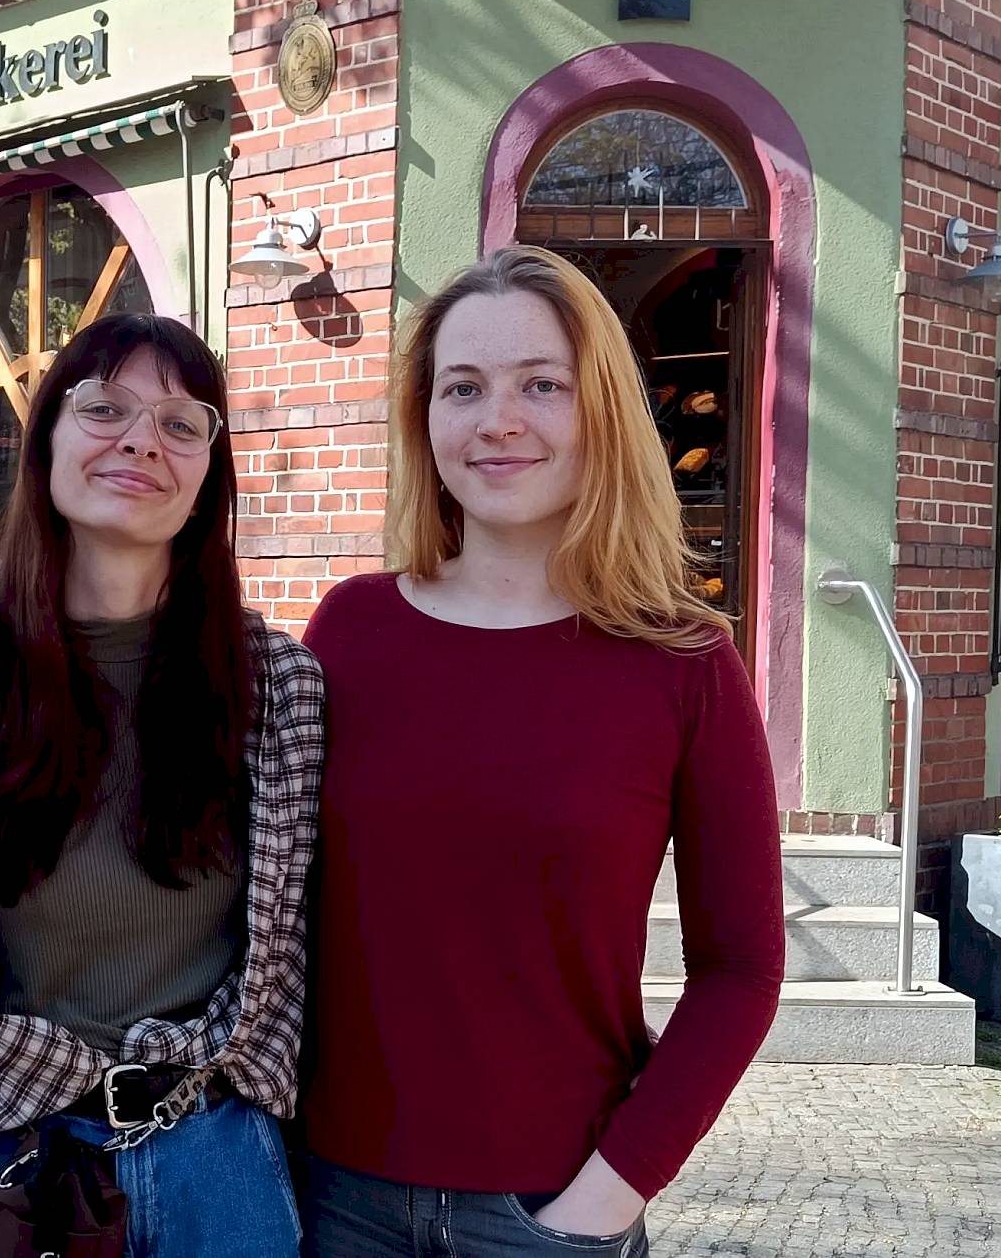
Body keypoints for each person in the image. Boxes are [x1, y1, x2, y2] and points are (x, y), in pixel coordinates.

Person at [297, 246, 785, 1256]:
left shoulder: (684, 663)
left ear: (600, 410)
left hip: (551, 1212)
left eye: (542, 385)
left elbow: (740, 968)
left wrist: (604, 1199)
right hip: (330, 1204)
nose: (499, 420)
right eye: (463, 387)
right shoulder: (351, 633)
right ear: (424, 418)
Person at [0, 312, 326, 1257]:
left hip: (215, 1157)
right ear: (47, 444)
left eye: (181, 423)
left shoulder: (279, 689)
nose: (142, 440)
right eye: (105, 408)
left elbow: (305, 941)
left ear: (208, 476)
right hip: (0, 1153)